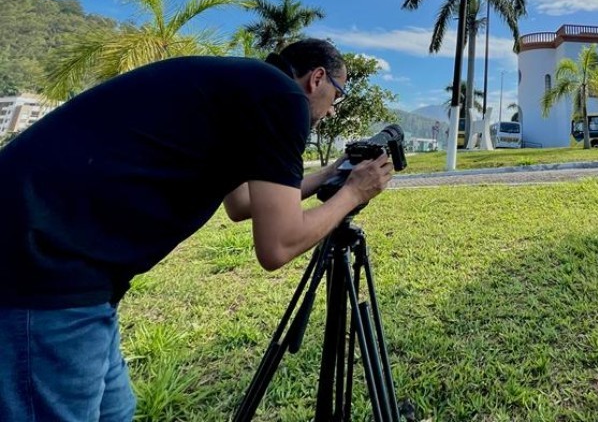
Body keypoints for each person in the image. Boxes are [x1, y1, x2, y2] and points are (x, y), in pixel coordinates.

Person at [0, 38, 394, 422]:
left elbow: (241, 206)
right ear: (318, 78)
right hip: (42, 259)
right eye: (337, 97)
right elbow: (278, 245)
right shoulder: (282, 98)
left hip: (66, 256)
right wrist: (354, 193)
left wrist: (331, 174)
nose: (330, 112)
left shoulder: (251, 91)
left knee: (114, 411)